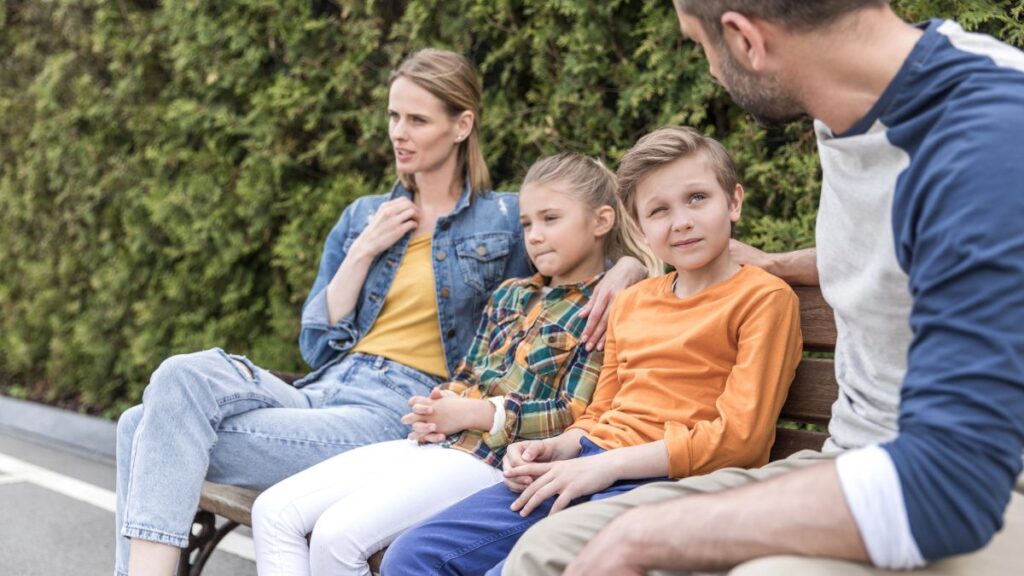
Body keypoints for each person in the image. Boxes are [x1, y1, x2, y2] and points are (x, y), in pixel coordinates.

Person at [502, 2, 1024, 575]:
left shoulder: (987, 129)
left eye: (699, 46)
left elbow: (950, 482)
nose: (709, 71)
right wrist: (773, 262)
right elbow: (917, 244)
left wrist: (647, 536)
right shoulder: (849, 109)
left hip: (978, 484)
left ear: (745, 40)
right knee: (546, 551)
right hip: (847, 458)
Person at [112, 49, 645, 576]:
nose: (399, 132)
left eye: (417, 119)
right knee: (175, 380)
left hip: (398, 406)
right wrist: (364, 249)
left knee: (143, 429)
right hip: (321, 389)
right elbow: (317, 345)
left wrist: (630, 268)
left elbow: (583, 247)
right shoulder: (365, 216)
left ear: (462, 125)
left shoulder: (506, 216)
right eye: (393, 116)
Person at [382, 126, 804, 575]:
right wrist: (554, 447)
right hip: (589, 461)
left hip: (669, 478)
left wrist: (605, 467)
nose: (681, 221)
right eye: (659, 210)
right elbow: (601, 409)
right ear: (639, 226)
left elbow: (740, 439)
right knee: (412, 557)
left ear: (733, 201)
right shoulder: (634, 300)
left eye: (697, 198)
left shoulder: (763, 299)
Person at [249, 152, 658, 576]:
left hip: (492, 463)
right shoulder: (511, 294)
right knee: (274, 511)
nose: (534, 236)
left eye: (550, 219)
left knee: (337, 536)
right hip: (439, 447)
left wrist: (477, 413)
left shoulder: (606, 306)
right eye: (526, 224)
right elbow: (468, 373)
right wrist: (438, 408)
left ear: (601, 221)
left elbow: (576, 416)